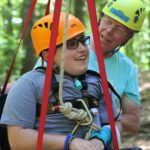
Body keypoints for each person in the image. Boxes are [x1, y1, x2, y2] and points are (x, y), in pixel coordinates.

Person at [0, 13, 121, 150]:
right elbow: (18, 140)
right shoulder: (29, 85)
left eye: (82, 41)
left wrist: (101, 138)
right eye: (71, 44)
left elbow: (115, 124)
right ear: (48, 55)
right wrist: (70, 143)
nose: (82, 48)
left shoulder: (97, 82)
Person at [88, 0, 146, 133]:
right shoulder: (66, 49)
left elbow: (133, 122)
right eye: (108, 21)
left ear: (127, 39)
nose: (109, 31)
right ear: (99, 20)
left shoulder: (127, 68)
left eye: (119, 29)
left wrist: (101, 114)